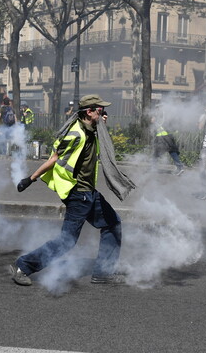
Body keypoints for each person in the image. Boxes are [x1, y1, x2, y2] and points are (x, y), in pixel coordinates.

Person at [11, 94, 135, 286]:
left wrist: (101, 123)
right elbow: (54, 158)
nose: (104, 113)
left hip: (89, 193)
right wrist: (30, 179)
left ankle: (103, 272)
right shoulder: (75, 134)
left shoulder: (92, 130)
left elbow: (96, 139)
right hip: (78, 195)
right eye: (99, 110)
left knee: (112, 224)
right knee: (66, 242)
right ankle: (23, 266)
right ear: (89, 112)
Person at [151, 109, 184, 176]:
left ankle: (153, 168)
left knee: (155, 154)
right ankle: (180, 167)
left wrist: (154, 117)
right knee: (172, 152)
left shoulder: (160, 115)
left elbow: (152, 121)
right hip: (168, 138)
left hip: (161, 138)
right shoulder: (167, 115)